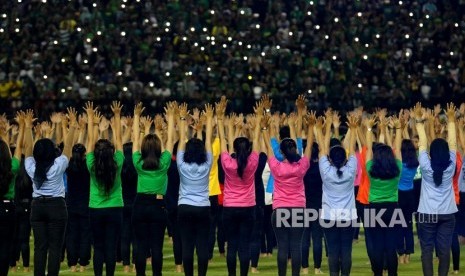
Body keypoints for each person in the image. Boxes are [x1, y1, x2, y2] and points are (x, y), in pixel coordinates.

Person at [262, 110, 315, 276]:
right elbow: (309, 147)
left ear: (282, 152)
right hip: (298, 209)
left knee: (283, 247)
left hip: (280, 210)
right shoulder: (302, 166)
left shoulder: (276, 166)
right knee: (296, 247)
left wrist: (265, 127)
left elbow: (269, 147)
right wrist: (311, 126)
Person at [24, 108, 76, 276]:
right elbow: (68, 146)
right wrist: (73, 125)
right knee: (55, 247)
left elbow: (27, 148)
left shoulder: (31, 167)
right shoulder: (58, 166)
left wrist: (27, 127)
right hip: (56, 207)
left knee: (39, 247)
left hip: (37, 207)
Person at [216, 97, 261, 276]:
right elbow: (256, 139)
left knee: (232, 245)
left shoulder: (227, 162)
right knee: (244, 245)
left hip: (229, 208)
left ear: (234, 148)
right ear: (248, 148)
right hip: (248, 208)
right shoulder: (252, 162)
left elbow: (222, 140)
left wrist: (220, 119)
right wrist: (258, 120)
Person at [414, 103, 458, 276]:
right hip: (447, 214)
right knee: (444, 250)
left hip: (427, 213)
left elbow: (423, 143)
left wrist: (419, 121)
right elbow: (453, 143)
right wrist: (452, 120)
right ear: (447, 153)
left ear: (432, 153)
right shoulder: (451, 165)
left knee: (427, 251)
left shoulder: (425, 165)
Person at [131, 102, 174, 276]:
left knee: (140, 246)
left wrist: (136, 118)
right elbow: (170, 140)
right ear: (158, 149)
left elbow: (134, 140)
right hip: (158, 205)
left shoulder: (139, 163)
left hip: (140, 205)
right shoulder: (164, 163)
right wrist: (170, 118)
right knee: (157, 246)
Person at [315, 113, 358, 276]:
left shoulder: (326, 170)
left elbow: (322, 149)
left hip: (329, 217)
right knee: (346, 251)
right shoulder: (351, 169)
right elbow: (352, 149)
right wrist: (353, 130)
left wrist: (320, 129)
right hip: (347, 217)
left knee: (333, 251)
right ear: (345, 157)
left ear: (330, 159)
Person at [85, 101, 124, 276]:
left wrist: (92, 119)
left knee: (98, 247)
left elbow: (90, 141)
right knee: (111, 247)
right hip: (115, 208)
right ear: (111, 151)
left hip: (96, 209)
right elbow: (120, 141)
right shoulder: (118, 162)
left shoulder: (91, 164)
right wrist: (116, 117)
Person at [176, 103, 213, 276]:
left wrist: (183, 120)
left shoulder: (181, 164)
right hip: (203, 207)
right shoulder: (207, 165)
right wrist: (204, 124)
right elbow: (207, 143)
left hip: (184, 207)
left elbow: (182, 141)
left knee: (187, 245)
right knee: (202, 246)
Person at [364, 114, 403, 276]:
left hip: (373, 209)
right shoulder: (397, 169)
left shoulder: (371, 168)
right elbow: (398, 148)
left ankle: (378, 274)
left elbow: (367, 148)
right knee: (391, 247)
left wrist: (369, 128)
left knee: (378, 246)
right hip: (392, 209)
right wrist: (398, 128)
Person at [0, 111, 24, 276]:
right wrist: (23, 126)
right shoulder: (12, 168)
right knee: (5, 246)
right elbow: (19, 148)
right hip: (8, 209)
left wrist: (2, 133)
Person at [66, 143, 91, 272]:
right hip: (85, 205)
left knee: (72, 235)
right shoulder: (87, 165)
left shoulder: (69, 166)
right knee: (85, 235)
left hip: (71, 205)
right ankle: (82, 264)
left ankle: (72, 264)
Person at [301, 141, 324, 275]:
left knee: (304, 239)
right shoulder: (321, 168)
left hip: (304, 206)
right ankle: (316, 268)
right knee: (317, 239)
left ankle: (304, 268)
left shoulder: (302, 168)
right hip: (318, 206)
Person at [397, 139, 419, 264]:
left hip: (400, 195)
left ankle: (401, 254)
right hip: (410, 195)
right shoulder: (415, 163)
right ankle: (408, 255)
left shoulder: (400, 164)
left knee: (399, 226)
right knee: (409, 226)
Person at [121, 142, 137, 273]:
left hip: (123, 204)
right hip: (136, 205)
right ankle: (136, 264)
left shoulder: (119, 168)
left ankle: (126, 265)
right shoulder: (139, 167)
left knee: (125, 236)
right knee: (137, 237)